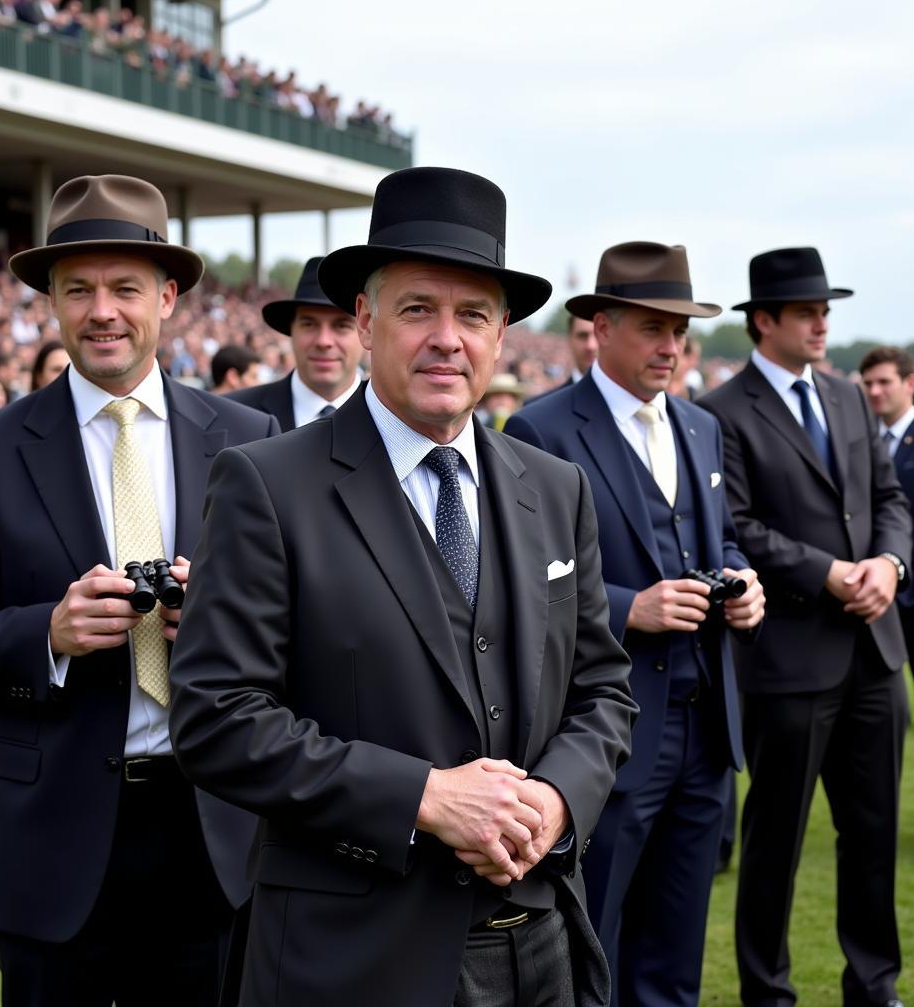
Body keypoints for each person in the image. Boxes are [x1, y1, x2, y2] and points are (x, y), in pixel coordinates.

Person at [168, 166, 638, 1007]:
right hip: (353, 958)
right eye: (419, 308)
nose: (446, 339)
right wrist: (422, 796)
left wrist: (557, 803)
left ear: (501, 339)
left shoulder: (555, 487)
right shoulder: (267, 484)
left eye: (473, 316)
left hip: (546, 947)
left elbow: (603, 689)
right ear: (364, 320)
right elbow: (216, 717)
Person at [0, 174, 280, 1007]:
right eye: (78, 290)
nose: (102, 310)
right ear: (52, 303)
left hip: (209, 829)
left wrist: (214, 617)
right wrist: (50, 632)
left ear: (169, 296)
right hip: (52, 836)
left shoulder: (249, 440)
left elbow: (292, 623)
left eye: (125, 288)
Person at [505, 241, 765, 1006]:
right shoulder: (541, 429)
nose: (671, 346)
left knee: (678, 948)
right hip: (615, 732)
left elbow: (715, 539)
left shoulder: (700, 426)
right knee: (599, 940)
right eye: (653, 327)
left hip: (708, 726)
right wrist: (630, 608)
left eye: (680, 330)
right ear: (602, 326)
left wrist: (743, 581)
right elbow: (525, 583)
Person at [699, 247, 911, 1007]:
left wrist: (889, 564)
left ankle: (875, 985)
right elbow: (738, 526)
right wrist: (826, 572)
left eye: (826, 311)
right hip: (789, 656)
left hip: (875, 653)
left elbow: (888, 497)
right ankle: (767, 992)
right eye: (807, 312)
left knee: (875, 834)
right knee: (775, 843)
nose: (822, 323)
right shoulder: (720, 414)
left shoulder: (850, 397)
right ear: (765, 321)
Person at [860, 345, 914, 864]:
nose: (875, 391)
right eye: (869, 383)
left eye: (885, 382)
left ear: (910, 384)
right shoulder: (859, 441)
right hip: (874, 600)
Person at [228, 257, 362, 430]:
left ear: (366, 329)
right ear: (291, 330)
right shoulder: (235, 414)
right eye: (309, 324)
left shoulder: (395, 416)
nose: (323, 341)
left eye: (341, 325)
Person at [526, 312, 597, 404]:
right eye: (582, 336)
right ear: (569, 339)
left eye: (597, 334)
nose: (590, 346)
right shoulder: (537, 409)